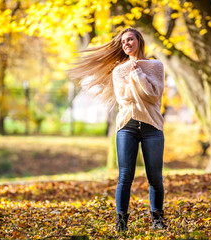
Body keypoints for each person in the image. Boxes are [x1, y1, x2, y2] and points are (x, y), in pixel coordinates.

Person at [68, 28, 167, 232]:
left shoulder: (156, 66)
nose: (126, 44)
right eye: (123, 42)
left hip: (152, 127)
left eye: (130, 39)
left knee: (155, 177)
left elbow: (153, 95)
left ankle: (157, 219)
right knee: (125, 177)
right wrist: (136, 82)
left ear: (139, 40)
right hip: (126, 127)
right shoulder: (119, 71)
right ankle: (121, 221)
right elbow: (124, 98)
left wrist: (137, 74)